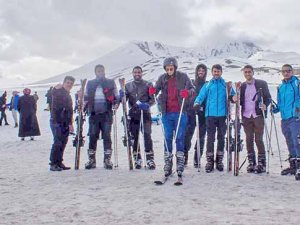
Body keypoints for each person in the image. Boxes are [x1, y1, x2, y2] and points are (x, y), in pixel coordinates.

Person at [150, 57, 194, 178]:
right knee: (168, 137)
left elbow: (192, 89)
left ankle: (180, 163)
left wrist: (188, 93)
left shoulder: (183, 77)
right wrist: (153, 90)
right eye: (167, 69)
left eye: (171, 68)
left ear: (175, 68)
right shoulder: (162, 78)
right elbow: (156, 89)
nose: (169, 71)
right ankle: (168, 163)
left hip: (180, 112)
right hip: (167, 113)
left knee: (180, 137)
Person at [194, 64, 235, 173]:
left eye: (218, 71)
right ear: (212, 72)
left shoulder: (226, 85)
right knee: (210, 138)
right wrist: (197, 102)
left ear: (221, 72)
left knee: (221, 137)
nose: (216, 73)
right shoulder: (208, 85)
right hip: (210, 115)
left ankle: (219, 160)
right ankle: (210, 161)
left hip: (222, 115)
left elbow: (233, 96)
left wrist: (234, 98)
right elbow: (201, 95)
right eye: (214, 71)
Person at [84, 64, 119, 170]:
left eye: (102, 71)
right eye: (98, 71)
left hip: (106, 114)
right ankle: (92, 160)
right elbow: (85, 97)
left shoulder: (110, 82)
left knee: (107, 136)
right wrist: (82, 105)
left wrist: (116, 103)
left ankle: (107, 159)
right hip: (94, 114)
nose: (100, 73)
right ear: (95, 72)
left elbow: (116, 96)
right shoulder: (90, 83)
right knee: (93, 136)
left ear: (104, 71)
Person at [122, 66, 156, 169]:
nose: (137, 74)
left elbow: (153, 100)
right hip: (134, 115)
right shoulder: (128, 86)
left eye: (139, 72)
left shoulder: (148, 84)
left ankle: (150, 159)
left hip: (145, 114)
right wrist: (121, 96)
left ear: (142, 73)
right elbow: (124, 99)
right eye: (135, 72)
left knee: (147, 136)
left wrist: (147, 104)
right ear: (132, 73)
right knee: (135, 137)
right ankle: (137, 158)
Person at [240, 65, 271, 173]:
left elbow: (268, 98)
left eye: (249, 72)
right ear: (243, 73)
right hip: (246, 116)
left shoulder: (261, 83)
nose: (247, 74)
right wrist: (233, 98)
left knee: (258, 139)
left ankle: (261, 163)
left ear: (253, 72)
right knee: (249, 139)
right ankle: (251, 162)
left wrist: (265, 105)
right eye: (246, 72)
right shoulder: (242, 86)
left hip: (258, 115)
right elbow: (240, 100)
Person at [272, 64, 300, 180]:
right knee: (289, 141)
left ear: (292, 71)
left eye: (288, 71)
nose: (286, 73)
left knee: (296, 140)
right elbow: (280, 104)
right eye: (283, 71)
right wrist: (275, 109)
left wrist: (297, 107)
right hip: (285, 118)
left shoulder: (297, 84)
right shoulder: (281, 87)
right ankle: (293, 165)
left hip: (295, 117)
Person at [49, 76, 75, 171]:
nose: (69, 85)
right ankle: (53, 163)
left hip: (65, 122)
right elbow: (52, 94)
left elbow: (69, 110)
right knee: (57, 142)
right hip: (56, 121)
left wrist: (70, 123)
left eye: (71, 83)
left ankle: (59, 162)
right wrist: (54, 89)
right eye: (67, 82)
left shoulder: (68, 94)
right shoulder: (58, 91)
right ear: (63, 83)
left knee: (63, 142)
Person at [184, 64, 208, 167]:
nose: (201, 72)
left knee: (201, 137)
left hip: (203, 115)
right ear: (196, 71)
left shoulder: (207, 84)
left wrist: (203, 107)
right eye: (199, 70)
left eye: (203, 70)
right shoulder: (192, 83)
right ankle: (184, 158)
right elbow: (187, 96)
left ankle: (197, 158)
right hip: (191, 113)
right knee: (187, 136)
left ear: (205, 72)